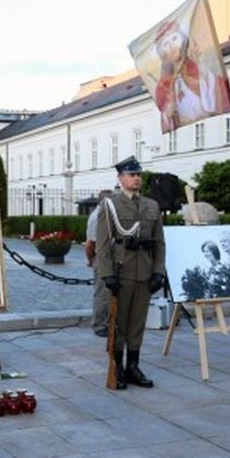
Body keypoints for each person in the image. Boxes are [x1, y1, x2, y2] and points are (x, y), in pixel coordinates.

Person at [97, 156, 165, 389]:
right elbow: (103, 244)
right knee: (119, 324)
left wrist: (158, 271)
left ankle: (133, 366)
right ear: (120, 178)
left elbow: (159, 243)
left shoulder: (151, 206)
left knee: (137, 323)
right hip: (121, 271)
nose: (136, 178)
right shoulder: (110, 205)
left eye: (138, 175)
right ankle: (117, 368)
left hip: (144, 272)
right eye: (131, 174)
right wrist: (107, 274)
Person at [151, 21, 230, 133]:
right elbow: (164, 117)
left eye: (174, 39)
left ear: (183, 40)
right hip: (185, 133)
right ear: (162, 52)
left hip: (208, 128)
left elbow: (216, 87)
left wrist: (201, 70)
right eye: (166, 44)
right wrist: (167, 113)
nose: (172, 47)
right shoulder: (163, 84)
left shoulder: (197, 66)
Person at [86, 189, 114, 337]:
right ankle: (99, 325)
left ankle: (109, 321)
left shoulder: (107, 215)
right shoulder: (97, 217)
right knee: (102, 293)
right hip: (102, 257)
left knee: (108, 293)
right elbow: (90, 243)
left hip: (111, 257)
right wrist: (91, 260)